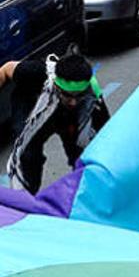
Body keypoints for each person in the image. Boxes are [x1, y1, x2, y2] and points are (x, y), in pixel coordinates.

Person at [0, 53, 110, 194]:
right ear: (57, 84)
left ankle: (82, 194)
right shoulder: (37, 72)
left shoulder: (92, 96)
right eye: (68, 94)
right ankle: (24, 199)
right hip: (32, 107)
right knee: (28, 156)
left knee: (81, 153)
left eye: (79, 95)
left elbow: (105, 137)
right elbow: (6, 69)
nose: (73, 101)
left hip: (66, 115)